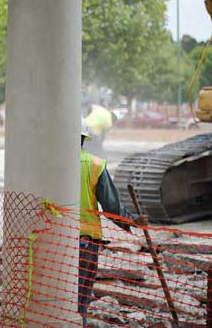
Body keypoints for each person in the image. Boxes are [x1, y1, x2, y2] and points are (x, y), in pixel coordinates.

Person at [79, 119, 137, 327]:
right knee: (80, 293)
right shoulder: (94, 165)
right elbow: (112, 207)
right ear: (83, 139)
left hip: (53, 238)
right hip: (85, 241)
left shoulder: (48, 165)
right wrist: (133, 221)